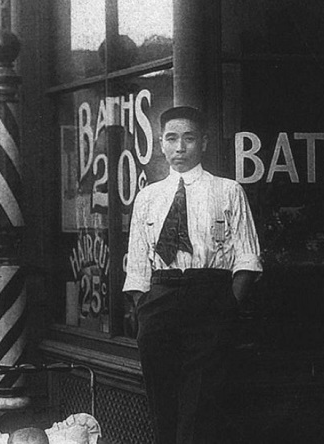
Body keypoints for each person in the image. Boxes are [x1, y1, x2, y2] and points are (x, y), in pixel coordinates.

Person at [124, 106, 262, 444]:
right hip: (160, 298)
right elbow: (139, 265)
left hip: (209, 296)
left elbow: (247, 256)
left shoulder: (227, 191)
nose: (179, 147)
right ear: (161, 144)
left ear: (203, 142)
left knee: (200, 403)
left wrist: (228, 303)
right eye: (171, 138)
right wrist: (145, 308)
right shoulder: (148, 197)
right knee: (161, 397)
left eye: (188, 138)